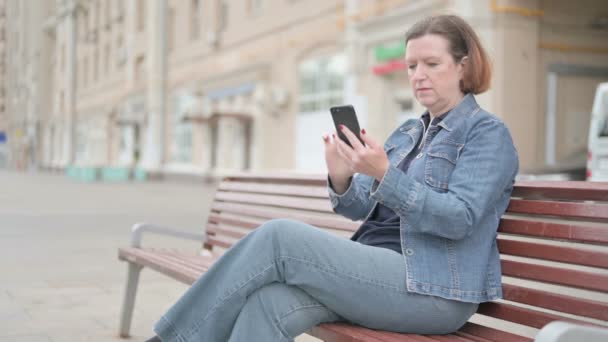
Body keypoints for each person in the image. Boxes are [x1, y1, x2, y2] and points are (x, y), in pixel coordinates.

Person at [147, 14, 519, 342]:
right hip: (377, 272)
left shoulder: (486, 133)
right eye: (410, 66)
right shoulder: (409, 132)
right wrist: (341, 177)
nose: (418, 75)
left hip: (434, 288)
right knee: (268, 302)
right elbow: (358, 207)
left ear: (463, 66)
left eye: (431, 63)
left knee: (280, 239)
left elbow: (460, 219)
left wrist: (385, 175)